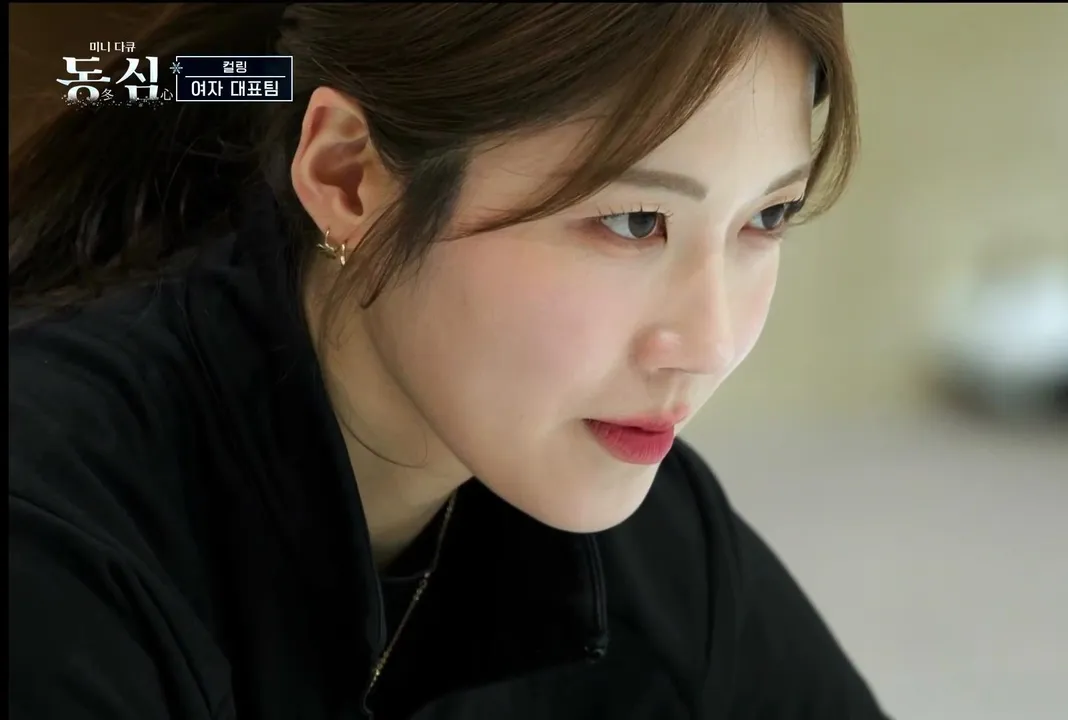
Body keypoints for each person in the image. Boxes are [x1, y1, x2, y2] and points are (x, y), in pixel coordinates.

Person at [9, 4, 888, 719]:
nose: (712, 343)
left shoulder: (660, 559)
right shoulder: (52, 554)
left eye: (766, 219)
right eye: (632, 222)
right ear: (348, 178)